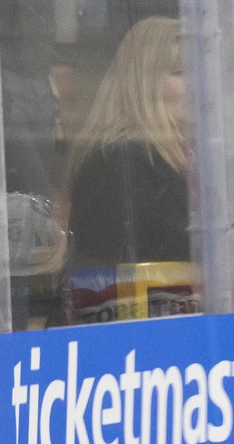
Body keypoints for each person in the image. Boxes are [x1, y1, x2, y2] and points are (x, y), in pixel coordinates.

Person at [63, 17, 193, 321]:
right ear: (142, 84)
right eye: (181, 72)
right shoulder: (121, 163)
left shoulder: (178, 156)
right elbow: (165, 254)